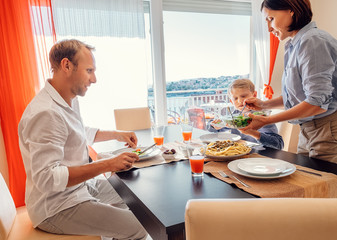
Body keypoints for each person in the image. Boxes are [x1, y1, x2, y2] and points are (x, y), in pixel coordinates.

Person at [18, 39, 147, 239]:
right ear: (67, 66)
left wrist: (116, 134)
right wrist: (107, 164)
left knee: (134, 200)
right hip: (56, 207)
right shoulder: (46, 113)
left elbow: (77, 132)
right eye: (89, 71)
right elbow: (47, 178)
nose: (94, 79)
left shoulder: (67, 99)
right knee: (140, 227)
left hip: (78, 189)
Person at [242, 0, 337, 163]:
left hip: (327, 128)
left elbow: (316, 103)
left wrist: (267, 120)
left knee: (326, 186)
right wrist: (264, 105)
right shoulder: (294, 46)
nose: (269, 28)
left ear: (291, 10)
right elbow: (297, 98)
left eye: (271, 18)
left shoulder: (313, 41)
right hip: (308, 129)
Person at [208, 79, 284, 150]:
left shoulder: (262, 116)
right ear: (231, 101)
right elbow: (209, 126)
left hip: (260, 157)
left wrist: (254, 133)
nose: (240, 101)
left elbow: (278, 144)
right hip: (239, 154)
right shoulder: (234, 116)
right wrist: (215, 126)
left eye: (243, 96)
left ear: (254, 95)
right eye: (235, 98)